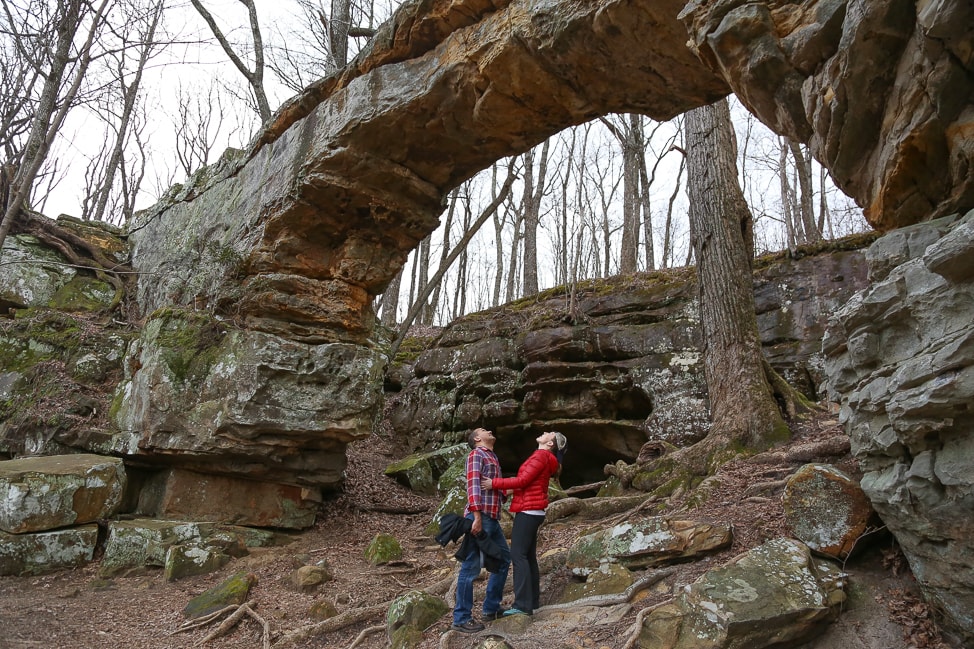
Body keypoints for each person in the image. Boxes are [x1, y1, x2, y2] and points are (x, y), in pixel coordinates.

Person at [483, 430, 566, 617]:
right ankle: (532, 601)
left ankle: (522, 605)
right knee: (527, 556)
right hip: (534, 510)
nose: (544, 432)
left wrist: (493, 483)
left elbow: (523, 480)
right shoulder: (544, 458)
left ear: (550, 443)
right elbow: (526, 484)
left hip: (529, 510)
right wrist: (505, 492)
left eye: (549, 433)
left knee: (518, 555)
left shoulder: (540, 456)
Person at [451, 427, 512, 633]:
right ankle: (461, 617)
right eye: (485, 430)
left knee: (504, 559)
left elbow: (494, 489)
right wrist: (476, 516)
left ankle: (491, 608)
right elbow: (473, 486)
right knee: (470, 568)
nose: (490, 431)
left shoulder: (492, 456)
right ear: (477, 438)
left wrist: (514, 486)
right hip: (480, 518)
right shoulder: (476, 454)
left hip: (492, 520)